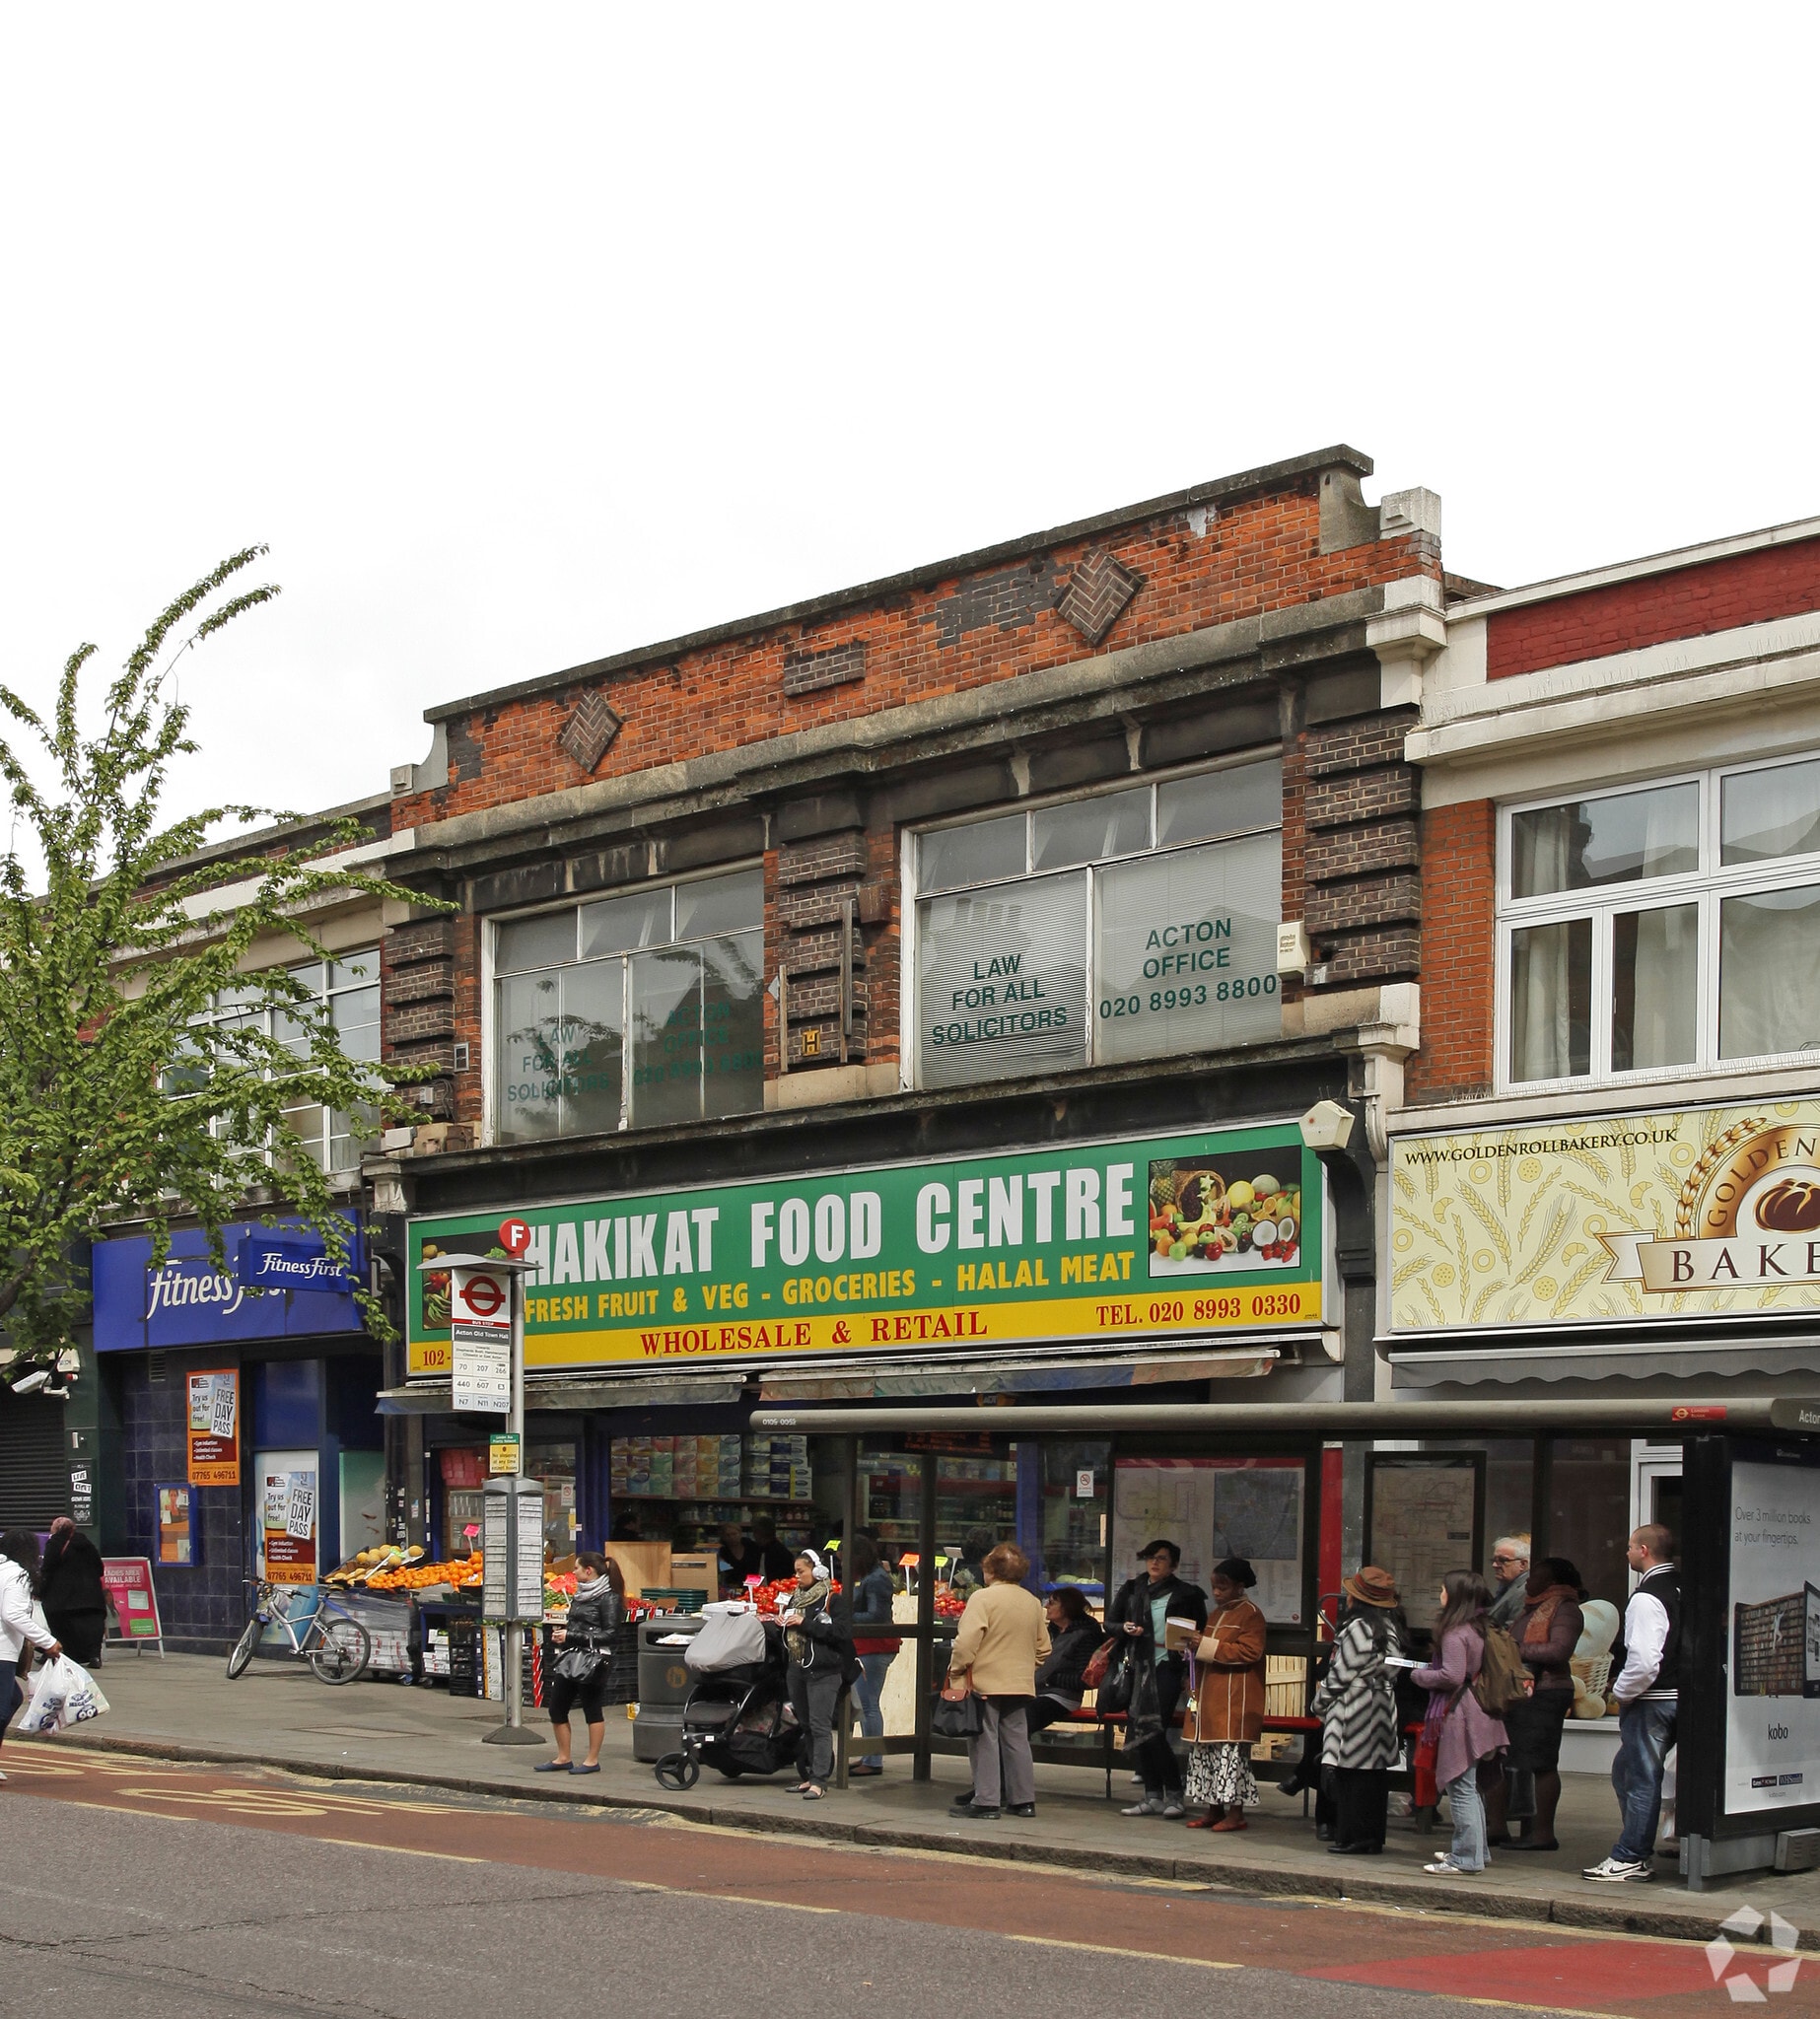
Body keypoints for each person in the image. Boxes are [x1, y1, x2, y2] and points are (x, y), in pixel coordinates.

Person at [1584, 1524, 1679, 1884]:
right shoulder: (1683, 1588)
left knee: (1640, 1778)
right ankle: (1640, 1847)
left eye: (1628, 1547)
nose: (1625, 1553)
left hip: (1651, 1700)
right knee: (1625, 1772)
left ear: (1643, 1550)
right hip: (1684, 1696)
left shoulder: (1646, 1597)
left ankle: (1631, 1856)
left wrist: (1621, 1691)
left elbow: (1643, 1660)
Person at [1411, 1569, 1507, 1877]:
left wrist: (1419, 1675)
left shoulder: (1454, 1632)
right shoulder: (1479, 1627)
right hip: (1480, 1710)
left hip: (1460, 1712)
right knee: (1471, 1787)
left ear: (1455, 1595)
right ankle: (1477, 1850)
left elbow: (1452, 1675)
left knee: (1461, 1786)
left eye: (1443, 1589)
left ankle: (1466, 1857)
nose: (1440, 1593)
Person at [945, 1542, 1049, 1821]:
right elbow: (1044, 1648)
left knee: (983, 1740)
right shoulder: (1032, 1601)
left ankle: (986, 1800)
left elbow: (966, 1642)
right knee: (1017, 1740)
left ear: (991, 1570)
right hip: (1020, 1683)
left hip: (985, 1682)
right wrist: (1027, 1666)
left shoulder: (983, 1599)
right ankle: (1023, 1801)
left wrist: (957, 1669)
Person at [1487, 1555, 1584, 1853]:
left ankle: (1542, 1832)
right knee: (1503, 1759)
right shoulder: (1532, 1606)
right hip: (1519, 1691)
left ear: (1553, 1582)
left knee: (1540, 1763)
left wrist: (1512, 1647)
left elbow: (1558, 1650)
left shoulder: (1565, 1608)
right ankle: (1497, 1826)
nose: (1529, 1580)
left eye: (1537, 1575)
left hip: (1545, 1692)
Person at [1106, 1539, 1207, 1820]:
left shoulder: (1186, 1593)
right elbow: (1110, 1624)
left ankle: (1174, 1793)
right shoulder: (1132, 1589)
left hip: (1168, 1666)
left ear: (1173, 1564)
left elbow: (1201, 1628)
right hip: (1137, 1665)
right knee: (1140, 1730)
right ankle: (1152, 1796)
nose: (1155, 1563)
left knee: (1154, 1728)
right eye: (1150, 1557)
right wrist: (1125, 1628)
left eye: (1161, 1558)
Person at [1310, 1566, 1406, 1856]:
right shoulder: (1389, 1628)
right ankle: (1373, 1837)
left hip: (1355, 1709)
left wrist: (1320, 1703)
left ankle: (1353, 1836)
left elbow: (1341, 1673)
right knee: (1374, 1778)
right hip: (1380, 1706)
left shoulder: (1356, 1628)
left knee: (1351, 1777)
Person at [1183, 1556, 1268, 1831]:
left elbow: (1250, 1651)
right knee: (1208, 1755)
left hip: (1234, 1698)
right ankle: (1214, 1809)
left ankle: (1236, 1814)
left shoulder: (1251, 1614)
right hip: (1210, 1695)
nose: (1217, 1592)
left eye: (1224, 1587)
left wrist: (1205, 1645)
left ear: (1240, 1586)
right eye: (1215, 1587)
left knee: (1230, 1759)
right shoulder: (1216, 1614)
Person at [540, 1549, 622, 1774]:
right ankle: (563, 1757)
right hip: (571, 1657)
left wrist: (572, 1636)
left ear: (589, 1570)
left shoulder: (609, 1598)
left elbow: (611, 1635)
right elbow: (578, 1626)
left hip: (595, 1660)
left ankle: (591, 1760)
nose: (573, 1572)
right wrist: (564, 1634)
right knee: (557, 1708)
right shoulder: (579, 1594)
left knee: (592, 1709)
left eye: (576, 1567)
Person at [782, 1549, 849, 1799]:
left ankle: (820, 1781)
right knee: (807, 1725)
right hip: (797, 1668)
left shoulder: (834, 1600)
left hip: (824, 1671)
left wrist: (805, 1624)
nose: (797, 1576)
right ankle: (810, 1776)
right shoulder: (795, 1599)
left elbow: (841, 1633)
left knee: (821, 1726)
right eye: (796, 1571)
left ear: (818, 1571)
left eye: (801, 1571)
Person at [0, 1531, 60, 1779]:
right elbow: (12, 1614)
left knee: (13, 1697)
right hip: (1, 1651)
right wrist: (48, 1642)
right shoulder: (17, 1574)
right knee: (3, 1706)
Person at [845, 1533, 898, 1777]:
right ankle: (868, 1755)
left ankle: (873, 1759)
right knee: (866, 1703)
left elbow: (877, 1616)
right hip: (869, 1647)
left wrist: (845, 1616)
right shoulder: (870, 1576)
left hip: (874, 1647)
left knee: (868, 1704)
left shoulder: (875, 1580)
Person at [1026, 1588, 1109, 1735]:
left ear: (1067, 1606)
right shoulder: (1052, 1631)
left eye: (1052, 1603)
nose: (1046, 1607)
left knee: (1023, 1720)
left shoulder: (1085, 1634)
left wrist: (1051, 1680)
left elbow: (1085, 1679)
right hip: (1038, 1690)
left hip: (1062, 1697)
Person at [39, 1517, 107, 1666]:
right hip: (91, 1595)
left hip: (63, 1596)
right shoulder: (87, 1543)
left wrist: (40, 1589)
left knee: (62, 1625)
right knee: (92, 1626)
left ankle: (66, 1654)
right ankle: (94, 1656)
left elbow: (48, 1568)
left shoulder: (55, 1543)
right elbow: (99, 1567)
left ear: (56, 1529)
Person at [1487, 1534, 1532, 1632]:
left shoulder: (1524, 1590)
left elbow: (1513, 1630)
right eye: (1494, 1560)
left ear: (1523, 1564)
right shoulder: (1507, 1586)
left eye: (1502, 1560)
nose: (1494, 1565)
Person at [718, 1523, 761, 1592]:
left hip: (753, 1585)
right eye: (728, 1535)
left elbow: (757, 1567)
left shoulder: (752, 1547)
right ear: (724, 1537)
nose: (731, 1537)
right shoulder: (723, 1552)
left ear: (740, 1534)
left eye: (734, 1534)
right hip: (732, 1588)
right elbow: (725, 1571)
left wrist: (752, 1585)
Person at [750, 1516, 795, 1582]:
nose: (754, 1536)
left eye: (755, 1532)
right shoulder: (755, 1550)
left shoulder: (781, 1553)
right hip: (759, 1590)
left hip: (774, 1590)